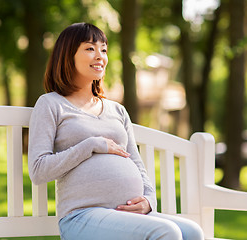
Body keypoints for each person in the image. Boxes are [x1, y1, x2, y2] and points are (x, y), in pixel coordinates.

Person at [28, 22, 204, 240]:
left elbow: (136, 163)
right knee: (165, 232)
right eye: (90, 48)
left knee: (193, 232)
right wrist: (91, 145)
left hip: (126, 216)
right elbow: (38, 170)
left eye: (104, 49)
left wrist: (149, 201)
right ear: (67, 55)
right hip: (81, 216)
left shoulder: (117, 110)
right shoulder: (51, 104)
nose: (100, 55)